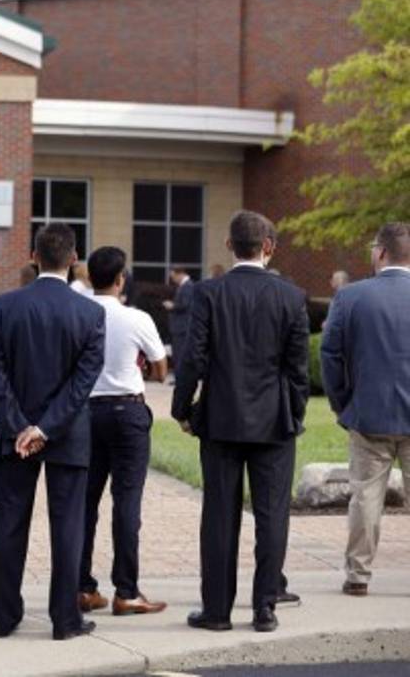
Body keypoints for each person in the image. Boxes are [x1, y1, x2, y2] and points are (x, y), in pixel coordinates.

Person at [171, 211, 309, 633]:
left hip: (220, 419)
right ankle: (265, 606)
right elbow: (298, 370)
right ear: (267, 246)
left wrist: (182, 409)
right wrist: (295, 415)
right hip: (273, 422)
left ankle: (217, 611)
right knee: (272, 515)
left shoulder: (209, 293)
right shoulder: (291, 297)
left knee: (218, 516)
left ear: (229, 246)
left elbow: (192, 358)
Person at [0, 223, 105, 641]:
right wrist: (45, 428)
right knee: (68, 526)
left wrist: (21, 426)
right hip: (67, 434)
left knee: (7, 523)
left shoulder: (2, 306)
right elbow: (83, 383)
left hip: (15, 436)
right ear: (73, 260)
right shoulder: (91, 313)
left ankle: (1, 616)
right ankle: (64, 620)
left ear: (34, 257)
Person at [77, 247, 169, 617]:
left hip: (86, 412)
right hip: (128, 411)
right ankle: (126, 591)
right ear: (120, 279)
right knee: (126, 502)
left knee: (84, 504)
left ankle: (83, 587)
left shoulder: (80, 313)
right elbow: (162, 371)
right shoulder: (137, 318)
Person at [321, 222, 410, 597]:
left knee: (366, 498)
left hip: (368, 414)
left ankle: (358, 575)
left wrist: (344, 404)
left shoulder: (351, 296)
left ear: (381, 252)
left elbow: (330, 354)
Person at [163, 267, 195, 364]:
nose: (173, 280)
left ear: (180, 274)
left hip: (182, 327)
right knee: (177, 354)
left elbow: (185, 304)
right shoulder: (184, 286)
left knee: (179, 354)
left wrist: (172, 306)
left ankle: (180, 377)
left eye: (173, 277)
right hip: (180, 327)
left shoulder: (188, 286)